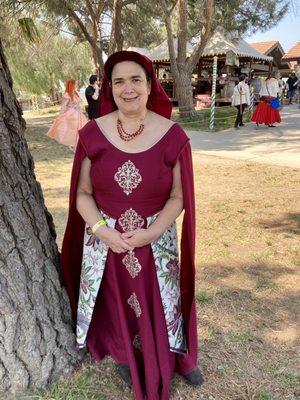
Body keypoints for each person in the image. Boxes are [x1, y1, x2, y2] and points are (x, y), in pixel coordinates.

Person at [61, 51, 202, 400]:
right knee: (116, 299)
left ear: (150, 84)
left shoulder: (173, 136)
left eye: (136, 79)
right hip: (106, 241)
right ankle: (123, 351)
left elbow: (178, 199)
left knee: (155, 300)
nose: (128, 89)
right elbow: (82, 194)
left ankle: (171, 354)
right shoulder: (92, 134)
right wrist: (102, 231)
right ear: (109, 87)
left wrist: (151, 233)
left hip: (155, 242)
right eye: (119, 81)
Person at [47, 79, 87, 150]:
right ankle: (74, 145)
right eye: (75, 84)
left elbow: (78, 103)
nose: (77, 85)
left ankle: (78, 145)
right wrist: (60, 116)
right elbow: (63, 106)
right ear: (72, 85)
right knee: (72, 130)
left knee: (81, 129)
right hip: (71, 115)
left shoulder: (75, 93)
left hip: (78, 114)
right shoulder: (67, 94)